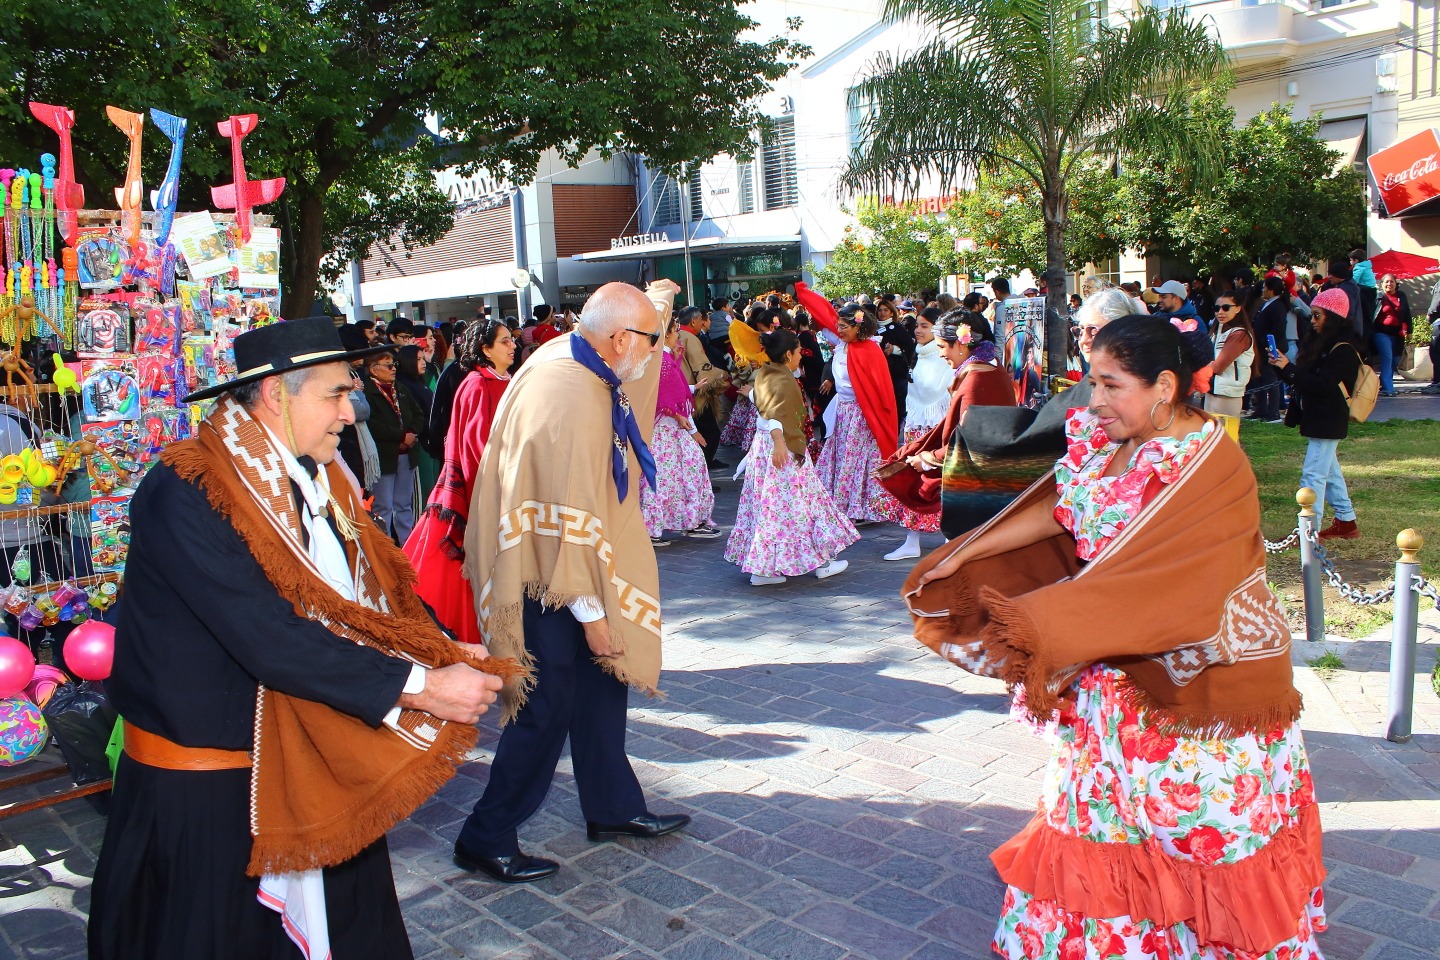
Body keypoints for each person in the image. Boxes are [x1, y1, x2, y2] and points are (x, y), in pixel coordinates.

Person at [904, 315, 1326, 960]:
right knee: (1103, 820)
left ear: (1163, 385)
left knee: (1195, 827)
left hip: (1194, 683)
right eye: (1091, 381)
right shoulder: (1100, 441)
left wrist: (1058, 621)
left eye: (1110, 384)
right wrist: (967, 552)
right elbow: (1057, 508)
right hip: (1106, 670)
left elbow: (1183, 585)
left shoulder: (1210, 461)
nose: (1093, 399)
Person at [89, 317, 508, 960]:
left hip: (309, 760)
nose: (351, 411)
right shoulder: (187, 487)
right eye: (337, 394)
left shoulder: (320, 475)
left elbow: (377, 588)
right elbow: (269, 635)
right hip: (214, 804)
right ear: (276, 393)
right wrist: (422, 688)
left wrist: (446, 646)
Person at [456, 280, 691, 885]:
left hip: (555, 555)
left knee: (601, 688)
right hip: (543, 573)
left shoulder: (581, 356)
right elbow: (568, 516)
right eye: (648, 340)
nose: (653, 354)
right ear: (618, 338)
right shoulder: (573, 393)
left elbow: (634, 364)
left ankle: (612, 808)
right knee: (546, 702)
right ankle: (486, 835)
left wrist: (657, 305)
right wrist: (595, 620)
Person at [403, 320, 516, 645]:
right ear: (485, 348)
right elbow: (476, 447)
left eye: (511, 340)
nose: (512, 346)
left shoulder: (505, 380)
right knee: (454, 574)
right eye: (504, 341)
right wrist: (492, 492)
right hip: (472, 491)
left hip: (498, 486)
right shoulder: (476, 384)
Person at [724, 329, 857, 585]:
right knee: (804, 504)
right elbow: (773, 415)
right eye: (798, 353)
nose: (800, 357)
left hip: (766, 449)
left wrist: (751, 395)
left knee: (770, 507)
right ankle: (823, 562)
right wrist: (779, 442)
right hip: (781, 448)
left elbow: (764, 404)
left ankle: (764, 569)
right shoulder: (783, 380)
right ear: (787, 354)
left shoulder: (766, 372)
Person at [796, 283, 900, 524]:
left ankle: (859, 507)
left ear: (858, 327)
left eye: (844, 327)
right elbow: (824, 317)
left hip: (862, 414)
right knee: (844, 457)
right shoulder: (845, 346)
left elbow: (879, 389)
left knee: (856, 459)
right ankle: (844, 504)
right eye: (839, 326)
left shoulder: (869, 350)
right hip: (844, 410)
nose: (839, 330)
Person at [1273, 287, 1364, 540]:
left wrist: (1289, 368)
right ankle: (1346, 522)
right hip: (1320, 416)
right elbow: (1307, 379)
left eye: (1317, 315)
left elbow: (1322, 384)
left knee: (1313, 474)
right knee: (1329, 471)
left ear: (1333, 317)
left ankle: (1308, 532)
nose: (1312, 321)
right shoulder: (1325, 343)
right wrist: (1284, 368)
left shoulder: (1343, 348)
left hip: (1328, 417)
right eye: (1312, 315)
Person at [641, 318, 722, 545]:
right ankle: (685, 522)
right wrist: (687, 424)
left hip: (666, 431)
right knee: (677, 477)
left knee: (672, 478)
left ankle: (680, 523)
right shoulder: (663, 361)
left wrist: (694, 388)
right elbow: (667, 398)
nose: (678, 335)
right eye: (675, 331)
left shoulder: (661, 360)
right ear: (666, 334)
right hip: (667, 431)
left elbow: (671, 392)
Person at [880, 312, 952, 561]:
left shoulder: (944, 358)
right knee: (915, 484)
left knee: (942, 484)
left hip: (936, 427)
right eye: (917, 326)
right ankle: (912, 540)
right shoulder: (921, 354)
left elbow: (941, 391)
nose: (918, 330)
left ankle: (950, 538)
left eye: (925, 326)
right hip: (917, 424)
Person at [363, 349, 426, 544]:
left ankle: (408, 546)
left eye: (394, 365)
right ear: (373, 369)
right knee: (383, 507)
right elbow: (371, 424)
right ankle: (387, 552)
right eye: (388, 366)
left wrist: (412, 432)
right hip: (385, 457)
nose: (393, 369)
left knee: (404, 504)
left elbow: (418, 413)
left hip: (406, 455)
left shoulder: (399, 387)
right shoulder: (367, 391)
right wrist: (401, 435)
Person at [1206, 291, 1254, 417]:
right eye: (1217, 308)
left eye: (1226, 308)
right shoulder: (1218, 330)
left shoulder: (1240, 334)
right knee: (1209, 434)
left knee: (1227, 434)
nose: (1220, 312)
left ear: (1238, 308)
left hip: (1228, 395)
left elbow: (1218, 366)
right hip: (1211, 391)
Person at [1248, 277, 1291, 422]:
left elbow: (1278, 329)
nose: (1262, 290)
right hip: (1260, 347)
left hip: (1271, 347)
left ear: (1271, 290)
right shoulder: (1267, 304)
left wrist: (1268, 343)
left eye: (1264, 287)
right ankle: (1260, 410)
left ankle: (1273, 413)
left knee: (1270, 379)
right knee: (1260, 377)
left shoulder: (1278, 306)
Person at [875, 298, 916, 428]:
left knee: (896, 405)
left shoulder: (898, 328)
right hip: (879, 373)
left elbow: (910, 347)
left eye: (885, 310)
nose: (882, 313)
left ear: (892, 312)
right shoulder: (873, 328)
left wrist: (895, 349)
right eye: (880, 310)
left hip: (896, 373)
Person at [1372, 273, 1411, 397]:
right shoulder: (1378, 297)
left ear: (1396, 283)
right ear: (1382, 284)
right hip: (1381, 333)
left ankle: (1382, 382)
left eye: (1392, 281)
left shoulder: (1402, 296)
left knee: (1395, 359)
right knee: (1387, 358)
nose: (1389, 284)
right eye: (1386, 282)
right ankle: (1389, 389)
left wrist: (1409, 330)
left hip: (1398, 333)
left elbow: (1407, 314)